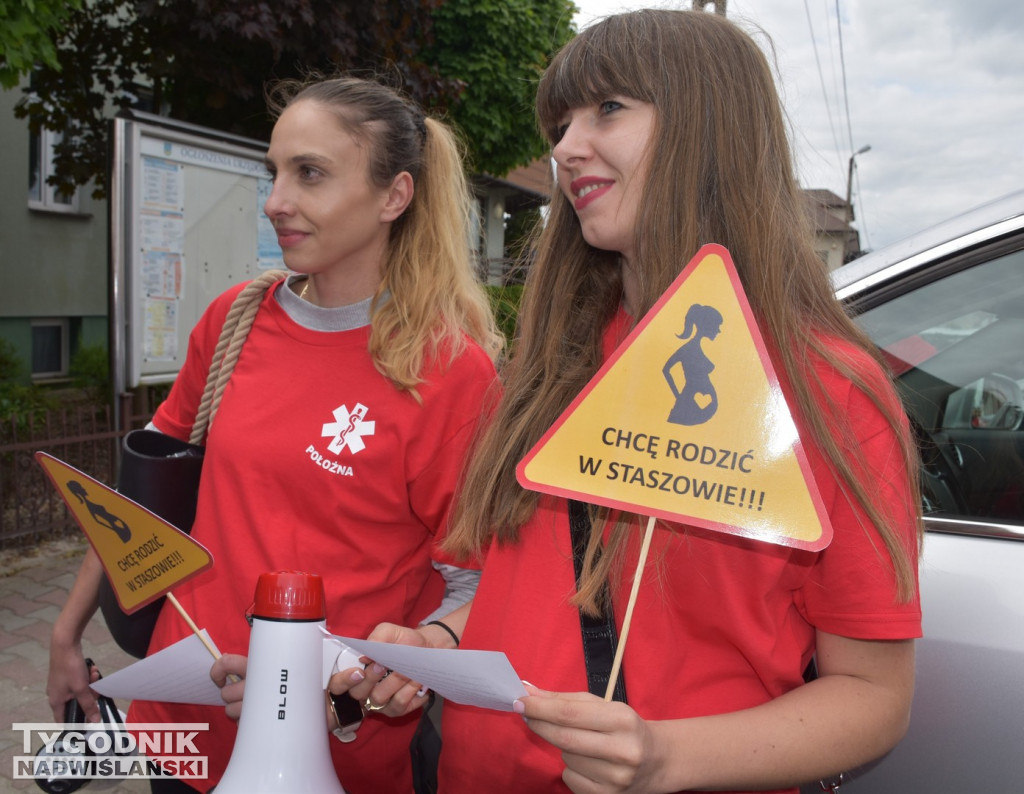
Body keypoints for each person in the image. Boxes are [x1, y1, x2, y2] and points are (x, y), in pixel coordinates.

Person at [337, 9, 924, 793]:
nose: (566, 147)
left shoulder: (829, 388)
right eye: (561, 121)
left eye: (607, 109)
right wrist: (443, 640)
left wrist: (665, 758)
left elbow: (873, 700)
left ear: (707, 127)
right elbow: (528, 593)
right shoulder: (551, 359)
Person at [47, 75, 502, 794]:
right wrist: (68, 632)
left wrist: (341, 693)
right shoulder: (236, 317)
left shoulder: (449, 372)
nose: (275, 201)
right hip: (184, 720)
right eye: (274, 172)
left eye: (309, 174)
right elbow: (141, 509)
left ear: (394, 197)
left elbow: (474, 590)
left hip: (334, 757)